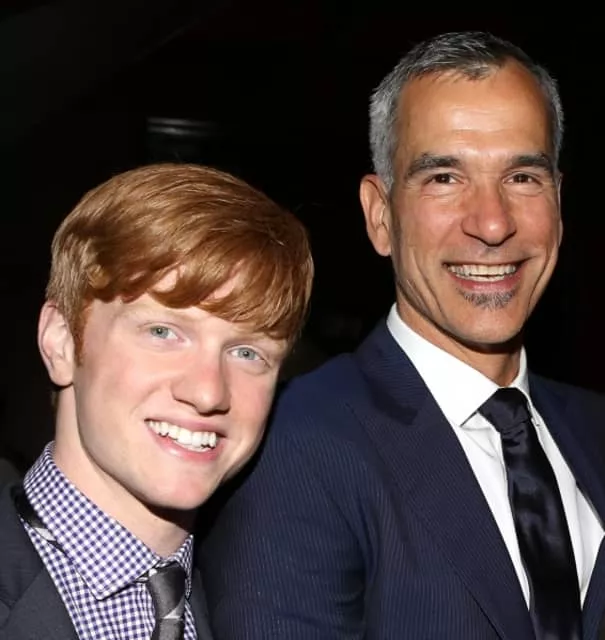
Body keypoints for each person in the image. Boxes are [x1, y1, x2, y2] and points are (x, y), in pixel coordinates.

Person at [199, 31, 605, 639]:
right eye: (444, 178)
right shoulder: (297, 445)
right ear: (380, 216)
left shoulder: (594, 429)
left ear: (559, 203)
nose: (493, 223)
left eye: (523, 177)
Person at [0, 162, 313, 640]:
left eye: (247, 352)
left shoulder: (273, 604)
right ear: (61, 342)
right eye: (163, 332)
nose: (208, 392)